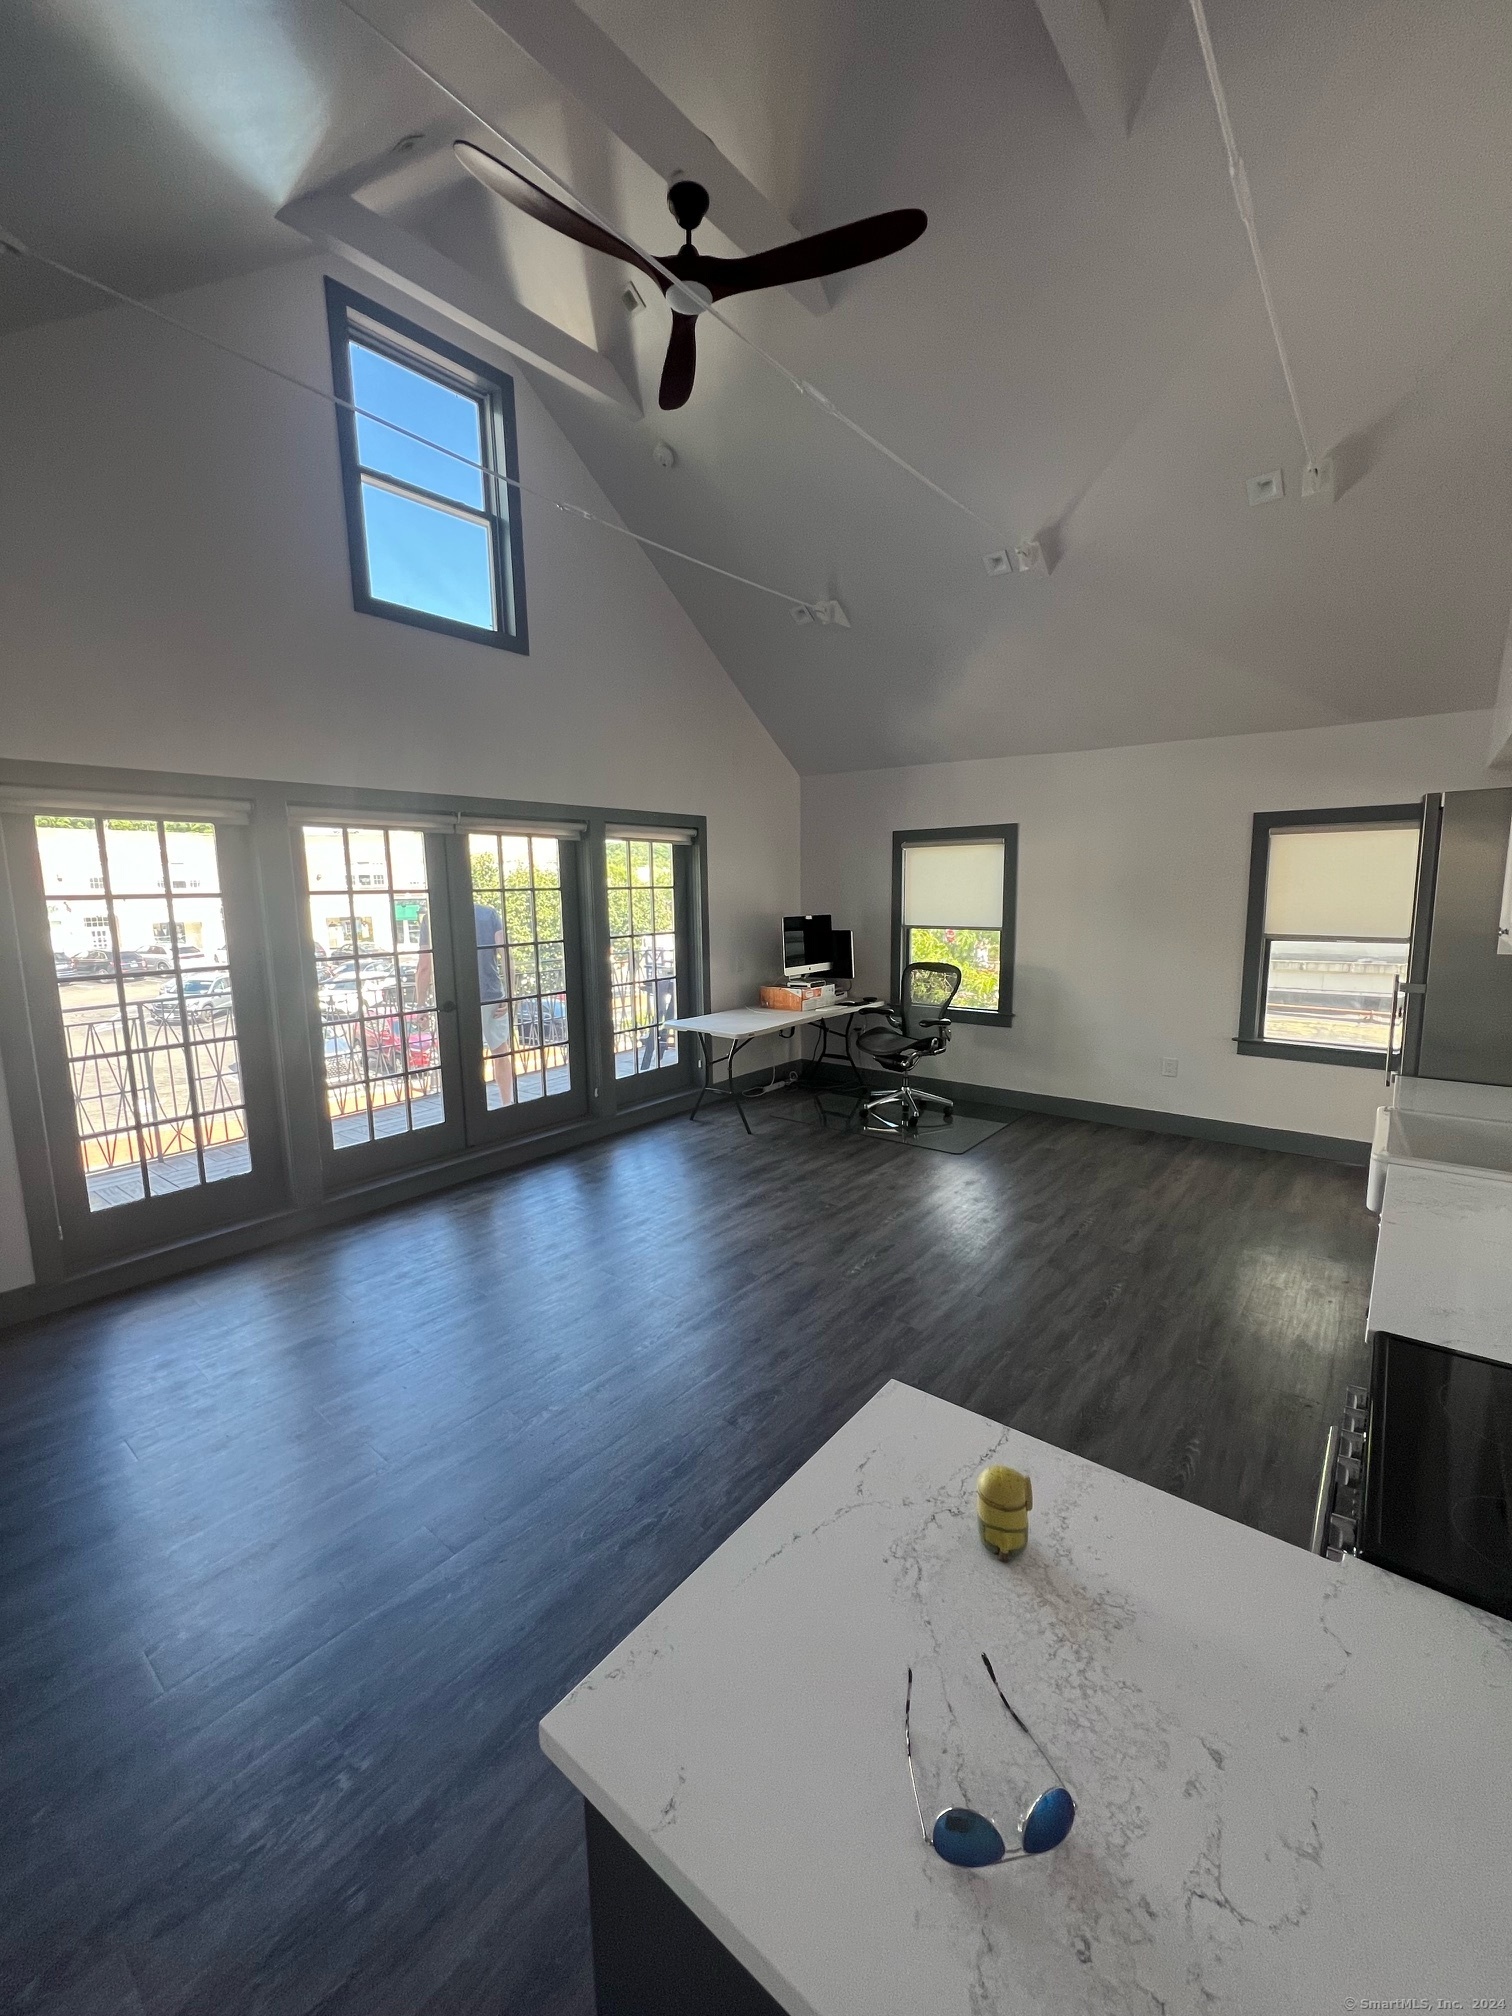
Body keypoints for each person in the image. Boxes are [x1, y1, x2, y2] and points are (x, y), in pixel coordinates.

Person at [415, 903, 515, 1105]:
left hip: (454, 999)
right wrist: (510, 994)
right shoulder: (488, 914)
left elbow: (424, 966)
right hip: (491, 993)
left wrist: (421, 1004)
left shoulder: (433, 918)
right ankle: (508, 1104)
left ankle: (468, 1108)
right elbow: (506, 953)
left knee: (461, 1054)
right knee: (500, 1051)